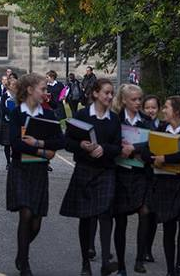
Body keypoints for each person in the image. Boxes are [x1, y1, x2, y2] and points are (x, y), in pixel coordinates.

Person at [61, 78, 127, 276]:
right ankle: (85, 263)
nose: (110, 96)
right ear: (95, 93)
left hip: (106, 170)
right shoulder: (82, 115)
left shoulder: (114, 119)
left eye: (111, 93)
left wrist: (103, 148)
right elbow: (68, 141)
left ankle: (106, 260)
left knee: (106, 213)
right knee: (86, 217)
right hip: (85, 168)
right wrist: (82, 146)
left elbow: (117, 147)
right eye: (106, 92)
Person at [7, 73, 65, 276]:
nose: (46, 92)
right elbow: (15, 143)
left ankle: (21, 252)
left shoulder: (48, 115)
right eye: (43, 88)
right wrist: (42, 151)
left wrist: (41, 144)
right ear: (30, 90)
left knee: (37, 221)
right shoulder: (17, 113)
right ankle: (25, 263)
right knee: (26, 213)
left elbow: (60, 141)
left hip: (39, 170)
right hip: (21, 168)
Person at [147, 96, 180, 276]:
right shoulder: (160, 129)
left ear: (176, 111)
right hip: (165, 184)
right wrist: (154, 159)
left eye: (166, 107)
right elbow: (148, 150)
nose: (163, 111)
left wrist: (165, 158)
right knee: (169, 226)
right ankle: (170, 269)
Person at [111, 84, 154, 276]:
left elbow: (153, 144)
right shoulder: (115, 119)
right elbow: (109, 141)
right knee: (120, 220)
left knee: (144, 212)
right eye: (134, 99)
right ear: (124, 100)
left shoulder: (146, 121)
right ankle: (121, 264)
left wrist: (134, 149)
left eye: (140, 99)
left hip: (141, 175)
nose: (138, 103)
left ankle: (139, 258)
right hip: (120, 174)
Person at [137, 94, 162, 267]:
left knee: (153, 214)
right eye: (147, 107)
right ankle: (142, 249)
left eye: (154, 107)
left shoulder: (165, 126)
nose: (151, 110)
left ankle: (148, 248)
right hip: (144, 174)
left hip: (160, 176)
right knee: (144, 213)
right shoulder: (140, 126)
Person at [1, 73, 17, 169]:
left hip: (16, 122)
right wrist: (10, 112)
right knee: (7, 143)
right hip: (7, 121)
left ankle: (15, 160)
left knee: (15, 143)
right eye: (13, 85)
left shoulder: (19, 96)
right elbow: (2, 107)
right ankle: (8, 162)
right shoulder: (5, 95)